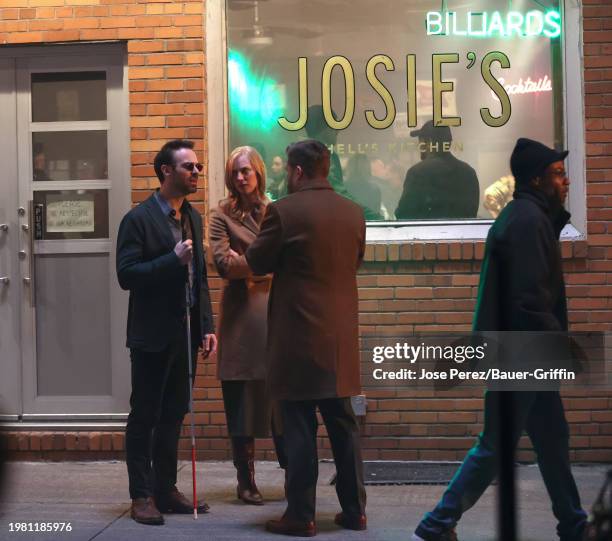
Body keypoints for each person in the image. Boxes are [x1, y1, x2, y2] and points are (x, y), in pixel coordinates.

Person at [412, 138, 587, 541]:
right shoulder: (526, 222)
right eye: (559, 174)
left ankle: (575, 524)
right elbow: (528, 299)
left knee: (552, 439)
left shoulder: (530, 217)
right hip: (523, 352)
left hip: (527, 352)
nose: (566, 181)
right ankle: (438, 523)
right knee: (496, 444)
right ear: (538, 179)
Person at [245, 139, 367, 537]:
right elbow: (355, 262)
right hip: (340, 341)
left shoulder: (283, 211)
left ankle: (301, 514)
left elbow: (257, 262)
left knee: (298, 429)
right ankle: (355, 510)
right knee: (344, 428)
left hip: (298, 339)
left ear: (297, 171)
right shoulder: (354, 213)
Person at [116, 139, 217, 525]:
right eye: (189, 167)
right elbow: (126, 276)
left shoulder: (193, 216)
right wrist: (170, 261)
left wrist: (207, 325)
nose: (196, 172)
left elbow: (201, 278)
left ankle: (165, 488)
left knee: (174, 412)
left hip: (186, 333)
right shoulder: (138, 219)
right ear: (166, 171)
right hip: (151, 333)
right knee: (145, 414)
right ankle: (141, 495)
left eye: (197, 167)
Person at [209, 146, 287, 506]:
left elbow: (287, 259)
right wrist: (264, 266)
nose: (241, 177)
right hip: (241, 318)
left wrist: (249, 264)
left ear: (258, 172)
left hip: (276, 313)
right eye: (235, 172)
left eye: (246, 171)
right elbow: (223, 264)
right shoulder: (220, 213)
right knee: (240, 399)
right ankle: (246, 479)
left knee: (283, 397)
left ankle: (295, 474)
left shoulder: (277, 211)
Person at [395, 120, 480, 220]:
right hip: (461, 234)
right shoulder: (468, 172)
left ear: (430, 142)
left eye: (420, 141)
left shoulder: (417, 172)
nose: (419, 147)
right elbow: (471, 213)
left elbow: (404, 214)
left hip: (426, 234)